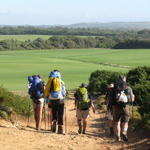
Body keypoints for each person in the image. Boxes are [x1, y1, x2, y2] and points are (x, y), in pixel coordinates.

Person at [112, 76, 135, 141]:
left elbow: (111, 99)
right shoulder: (129, 88)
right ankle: (124, 132)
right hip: (126, 107)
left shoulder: (114, 88)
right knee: (125, 122)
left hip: (116, 107)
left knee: (117, 122)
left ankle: (118, 137)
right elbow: (132, 99)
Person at [44, 70, 66, 134]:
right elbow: (64, 92)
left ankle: (54, 122)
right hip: (60, 99)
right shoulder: (61, 82)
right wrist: (64, 96)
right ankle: (60, 128)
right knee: (60, 114)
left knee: (54, 112)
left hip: (52, 99)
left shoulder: (50, 82)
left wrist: (47, 99)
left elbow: (47, 91)